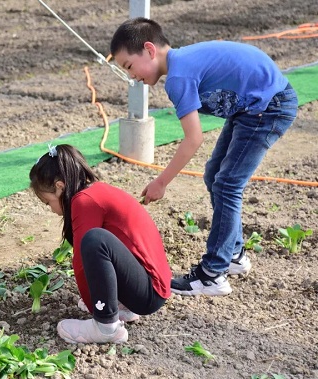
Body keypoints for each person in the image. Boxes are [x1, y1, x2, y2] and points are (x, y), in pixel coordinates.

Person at [110, 18, 298, 296]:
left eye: (129, 66)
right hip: (251, 107)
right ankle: (234, 255)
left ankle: (212, 274)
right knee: (215, 175)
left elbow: (193, 138)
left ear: (150, 50)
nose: (131, 76)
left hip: (269, 106)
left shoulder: (178, 77)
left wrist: (161, 182)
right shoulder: (180, 65)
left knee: (227, 184)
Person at [29, 144, 172, 344]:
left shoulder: (84, 202)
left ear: (60, 186)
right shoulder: (94, 191)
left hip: (149, 292)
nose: (50, 209)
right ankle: (122, 308)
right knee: (93, 240)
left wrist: (96, 306)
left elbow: (80, 261)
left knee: (94, 240)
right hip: (150, 284)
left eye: (48, 202)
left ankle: (106, 327)